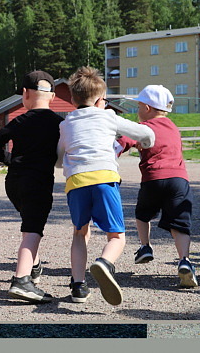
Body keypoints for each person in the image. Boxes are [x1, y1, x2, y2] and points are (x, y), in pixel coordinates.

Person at [56, 66, 155, 305]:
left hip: (76, 182)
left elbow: (59, 159)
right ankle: (104, 263)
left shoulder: (66, 123)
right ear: (101, 100)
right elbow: (147, 135)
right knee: (116, 236)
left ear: (72, 98)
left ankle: (78, 286)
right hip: (104, 178)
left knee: (80, 233)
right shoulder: (108, 116)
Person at [0, 70, 63, 304]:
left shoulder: (19, 121)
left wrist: (9, 160)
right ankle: (21, 280)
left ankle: (34, 264)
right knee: (33, 229)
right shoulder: (59, 123)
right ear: (52, 96)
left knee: (28, 223)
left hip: (14, 182)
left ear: (24, 94)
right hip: (38, 181)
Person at [132, 85, 198, 288]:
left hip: (152, 179)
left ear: (147, 107)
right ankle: (184, 260)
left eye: (138, 107)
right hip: (178, 180)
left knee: (142, 214)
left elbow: (125, 140)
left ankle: (145, 247)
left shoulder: (144, 128)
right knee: (179, 223)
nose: (137, 111)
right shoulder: (173, 127)